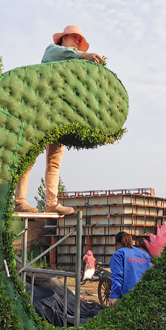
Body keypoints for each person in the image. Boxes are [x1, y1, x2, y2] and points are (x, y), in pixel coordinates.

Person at [14, 25, 105, 216]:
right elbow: (65, 54)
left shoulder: (73, 66)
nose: (77, 42)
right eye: (74, 37)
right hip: (40, 112)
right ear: (63, 38)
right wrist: (84, 56)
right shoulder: (52, 52)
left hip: (60, 117)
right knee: (29, 157)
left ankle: (52, 203)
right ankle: (20, 201)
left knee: (54, 162)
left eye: (79, 41)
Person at [109, 232, 151, 305]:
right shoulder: (144, 254)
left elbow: (117, 276)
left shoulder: (119, 254)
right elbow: (151, 273)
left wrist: (114, 296)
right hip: (145, 295)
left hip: (127, 297)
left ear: (117, 243)